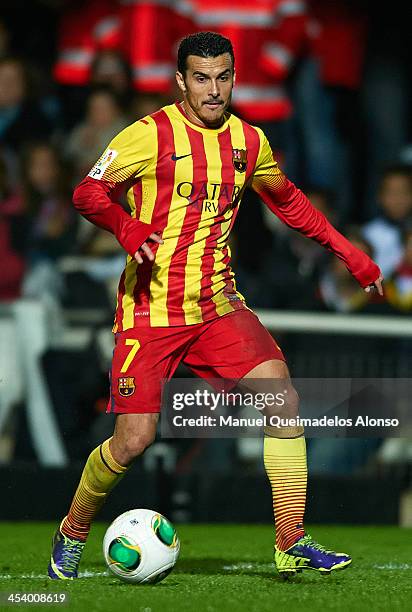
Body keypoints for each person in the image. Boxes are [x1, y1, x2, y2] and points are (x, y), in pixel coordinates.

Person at [48, 31, 383, 580]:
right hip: (150, 310)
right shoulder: (148, 134)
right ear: (181, 80)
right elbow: (87, 193)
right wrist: (130, 229)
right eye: (200, 78)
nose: (213, 89)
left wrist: (351, 254)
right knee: (133, 441)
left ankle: (291, 540)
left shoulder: (249, 142)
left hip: (217, 305)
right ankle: (73, 529)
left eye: (223, 77)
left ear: (234, 76)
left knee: (282, 396)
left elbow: (290, 202)